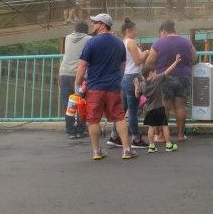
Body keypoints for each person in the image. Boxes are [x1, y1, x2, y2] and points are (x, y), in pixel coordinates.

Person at [74, 13, 136, 160]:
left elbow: (83, 64)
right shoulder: (119, 42)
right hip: (113, 86)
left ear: (102, 25)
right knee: (119, 117)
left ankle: (96, 150)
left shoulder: (92, 42)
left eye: (95, 22)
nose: (93, 24)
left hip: (94, 87)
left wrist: (77, 82)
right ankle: (127, 149)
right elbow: (122, 65)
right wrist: (118, 79)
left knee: (93, 119)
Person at [144, 20, 197, 142]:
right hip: (184, 76)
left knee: (165, 108)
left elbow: (149, 62)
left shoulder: (158, 43)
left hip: (164, 78)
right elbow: (194, 57)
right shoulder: (186, 41)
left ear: (163, 31)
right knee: (180, 107)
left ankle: (162, 136)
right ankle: (180, 135)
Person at [107, 18, 147, 149]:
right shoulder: (131, 42)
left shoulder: (122, 42)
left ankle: (114, 136)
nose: (136, 32)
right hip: (133, 77)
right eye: (135, 30)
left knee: (121, 109)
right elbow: (137, 61)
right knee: (133, 111)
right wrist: (146, 53)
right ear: (128, 30)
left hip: (125, 77)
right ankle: (136, 138)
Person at [137, 54, 183, 152]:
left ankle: (151, 146)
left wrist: (136, 85)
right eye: (155, 72)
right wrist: (175, 62)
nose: (156, 73)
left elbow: (137, 95)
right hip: (159, 107)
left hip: (149, 109)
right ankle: (168, 144)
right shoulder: (157, 80)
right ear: (150, 73)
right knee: (164, 126)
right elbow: (167, 71)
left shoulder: (142, 85)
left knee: (151, 127)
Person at [60, 22, 90, 139]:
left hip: (64, 73)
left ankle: (70, 130)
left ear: (75, 29)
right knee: (81, 103)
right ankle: (81, 129)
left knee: (68, 104)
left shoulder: (68, 38)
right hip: (79, 75)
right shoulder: (88, 39)